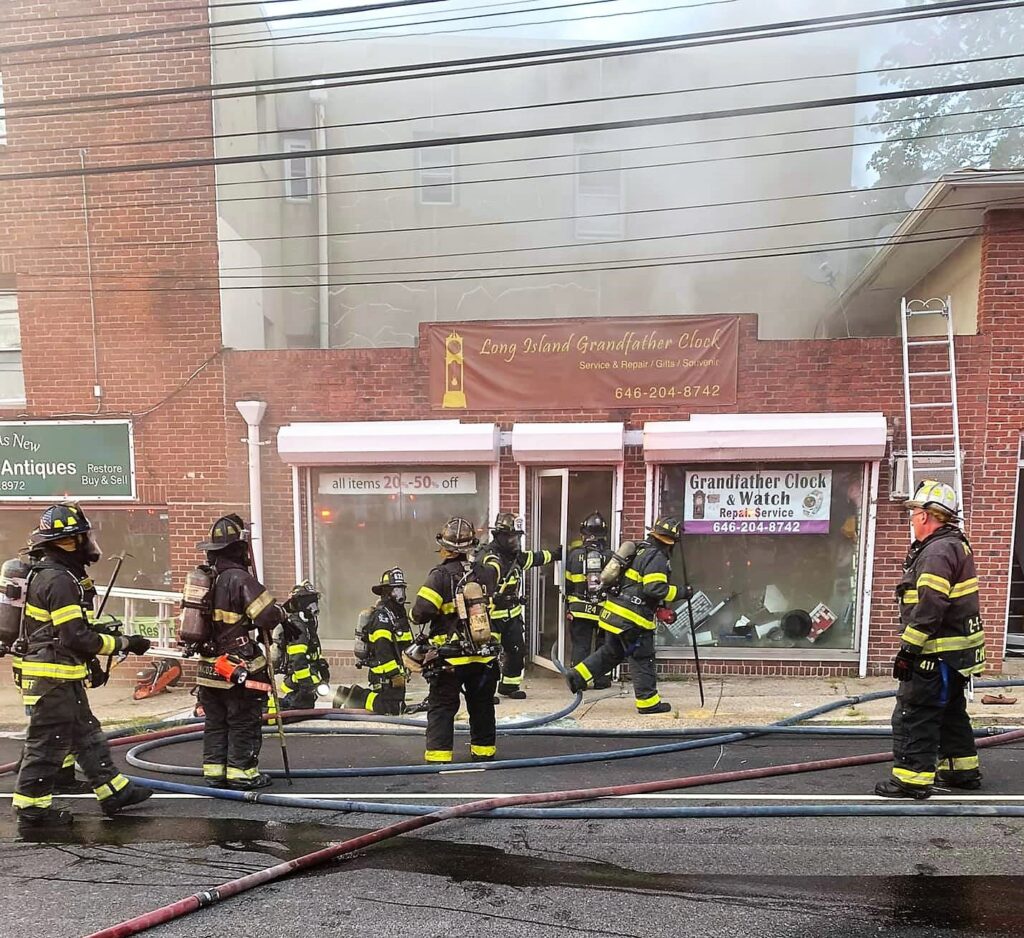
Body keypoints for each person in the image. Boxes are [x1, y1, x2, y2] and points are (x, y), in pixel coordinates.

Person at [12, 503, 154, 830]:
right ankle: (32, 810)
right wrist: (125, 644)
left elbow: (70, 631)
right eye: (83, 537)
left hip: (62, 676)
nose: (89, 543)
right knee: (47, 744)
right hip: (52, 679)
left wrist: (95, 657)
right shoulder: (58, 580)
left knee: (87, 735)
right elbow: (76, 637)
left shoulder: (57, 575)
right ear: (69, 541)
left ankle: (114, 791)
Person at [875, 481, 986, 799]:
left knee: (915, 712)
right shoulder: (954, 545)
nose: (912, 520)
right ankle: (961, 771)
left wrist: (908, 650)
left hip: (934, 653)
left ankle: (911, 779)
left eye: (914, 514)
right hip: (955, 653)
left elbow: (930, 605)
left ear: (925, 515)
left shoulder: (936, 551)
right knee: (950, 711)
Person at [193, 514, 283, 790]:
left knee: (216, 723)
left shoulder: (206, 579)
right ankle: (243, 774)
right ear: (239, 548)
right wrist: (281, 613)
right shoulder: (240, 579)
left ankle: (215, 772)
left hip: (208, 668)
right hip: (237, 668)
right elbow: (266, 616)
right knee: (243, 721)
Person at [566, 516, 682, 715]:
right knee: (643, 658)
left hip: (614, 614)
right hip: (632, 620)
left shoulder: (640, 550)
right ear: (670, 542)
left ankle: (577, 677)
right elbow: (654, 588)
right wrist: (681, 592)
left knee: (611, 653)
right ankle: (648, 703)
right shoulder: (657, 557)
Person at [410, 517, 500, 763]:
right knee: (482, 706)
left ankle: (438, 757)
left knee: (442, 707)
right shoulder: (486, 573)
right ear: (471, 546)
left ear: (444, 547)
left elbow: (420, 613)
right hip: (484, 657)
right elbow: (497, 570)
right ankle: (484, 753)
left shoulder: (439, 576)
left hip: (449, 659)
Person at [480, 513, 561, 699]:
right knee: (488, 655)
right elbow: (481, 581)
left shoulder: (515, 557)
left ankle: (509, 686)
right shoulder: (488, 557)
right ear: (500, 536)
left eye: (517, 537)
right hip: (491, 616)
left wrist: (555, 555)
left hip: (512, 615)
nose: (515, 541)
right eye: (511, 537)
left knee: (517, 651)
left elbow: (534, 558)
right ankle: (484, 693)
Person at [335, 568, 413, 715]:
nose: (400, 595)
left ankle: (350, 693)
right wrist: (394, 674)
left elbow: (404, 644)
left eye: (402, 590)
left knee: (398, 706)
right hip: (383, 674)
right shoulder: (382, 617)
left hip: (396, 672)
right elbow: (382, 649)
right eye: (396, 591)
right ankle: (354, 695)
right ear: (386, 593)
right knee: (391, 708)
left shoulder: (397, 615)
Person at [564, 512, 613, 690]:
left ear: (583, 534)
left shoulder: (574, 555)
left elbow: (568, 584)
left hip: (579, 609)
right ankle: (602, 680)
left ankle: (579, 681)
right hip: (603, 609)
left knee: (581, 646)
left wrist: (568, 606)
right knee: (603, 646)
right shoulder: (611, 556)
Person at [274, 581, 330, 711]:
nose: (313, 605)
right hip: (297, 686)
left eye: (314, 600)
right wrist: (307, 685)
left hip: (305, 685)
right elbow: (298, 660)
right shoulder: (296, 626)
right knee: (294, 712)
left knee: (305, 711)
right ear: (299, 603)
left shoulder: (308, 625)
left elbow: (313, 650)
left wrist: (322, 665)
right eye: (309, 601)